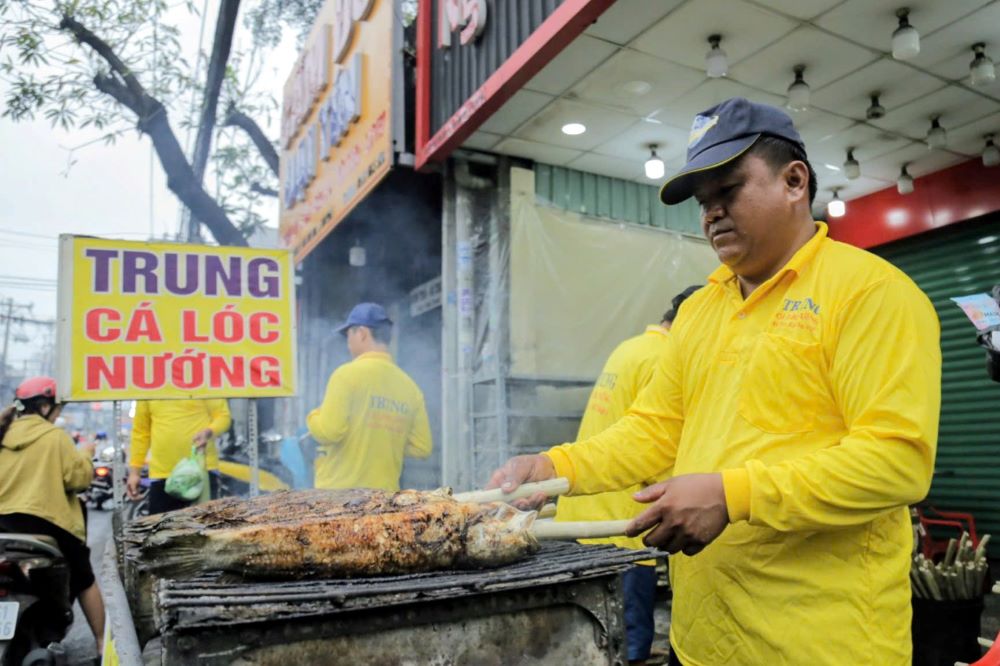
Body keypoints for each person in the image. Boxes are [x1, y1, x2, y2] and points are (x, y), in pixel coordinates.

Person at [487, 97, 941, 666]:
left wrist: (731, 495)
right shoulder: (702, 310)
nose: (711, 214)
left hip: (822, 646)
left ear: (794, 180)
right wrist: (556, 469)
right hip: (701, 642)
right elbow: (653, 432)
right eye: (704, 202)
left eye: (728, 190)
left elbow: (895, 462)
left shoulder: (871, 295)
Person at [555, 285, 700, 665]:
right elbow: (653, 445)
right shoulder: (663, 358)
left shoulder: (631, 347)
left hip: (583, 517)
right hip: (621, 527)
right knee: (628, 643)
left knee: (587, 640)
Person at [0, 377, 106, 653]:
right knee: (84, 578)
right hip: (45, 521)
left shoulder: (3, 434)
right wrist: (85, 455)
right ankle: (102, 643)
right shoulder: (54, 436)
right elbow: (78, 479)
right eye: (57, 408)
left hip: (2, 522)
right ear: (45, 407)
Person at [307, 302, 432, 490]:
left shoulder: (346, 374)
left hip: (339, 500)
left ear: (362, 333)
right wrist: (384, 438)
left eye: (349, 334)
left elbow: (329, 432)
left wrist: (313, 417)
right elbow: (423, 447)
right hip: (385, 500)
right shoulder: (410, 387)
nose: (348, 342)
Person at [127, 399, 232, 514]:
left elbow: (223, 417)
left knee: (207, 527)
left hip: (201, 473)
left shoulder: (203, 382)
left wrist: (209, 432)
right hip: (163, 475)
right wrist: (134, 473)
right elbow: (141, 433)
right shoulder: (147, 389)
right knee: (163, 530)